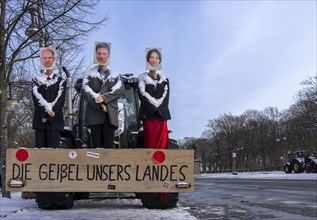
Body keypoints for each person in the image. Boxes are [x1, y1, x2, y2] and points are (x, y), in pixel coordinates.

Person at [81, 42, 124, 148]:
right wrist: (99, 103)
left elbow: (119, 90)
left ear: (108, 56)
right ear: (95, 55)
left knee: (108, 148)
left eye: (104, 54)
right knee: (96, 148)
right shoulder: (89, 74)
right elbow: (85, 89)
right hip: (94, 115)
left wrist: (103, 99)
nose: (101, 56)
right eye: (99, 53)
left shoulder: (116, 75)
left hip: (110, 116)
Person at [138, 48, 171, 149]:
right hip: (149, 115)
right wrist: (154, 109)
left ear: (159, 60)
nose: (154, 60)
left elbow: (166, 97)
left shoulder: (165, 79)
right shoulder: (142, 78)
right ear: (148, 59)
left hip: (162, 115)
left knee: (162, 142)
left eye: (156, 57)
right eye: (151, 57)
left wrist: (160, 109)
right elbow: (142, 94)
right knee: (150, 142)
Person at [32, 60, 66, 148]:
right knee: (39, 153)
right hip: (40, 120)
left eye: (50, 58)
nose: (47, 61)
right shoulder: (36, 80)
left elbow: (60, 99)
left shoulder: (61, 81)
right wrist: (44, 113)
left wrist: (49, 115)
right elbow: (36, 97)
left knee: (53, 154)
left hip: (55, 121)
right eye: (45, 58)